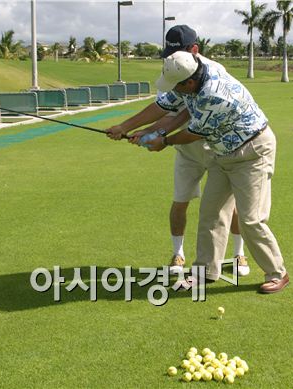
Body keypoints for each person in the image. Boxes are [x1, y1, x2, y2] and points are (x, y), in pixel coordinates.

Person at [108, 25, 250, 276]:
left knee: (229, 206)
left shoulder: (212, 74)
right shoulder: (174, 69)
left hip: (214, 146)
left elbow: (188, 121)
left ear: (194, 50)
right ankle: (178, 254)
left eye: (180, 51)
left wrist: (161, 138)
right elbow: (166, 109)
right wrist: (131, 128)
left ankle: (239, 255)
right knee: (180, 201)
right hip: (186, 149)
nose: (172, 58)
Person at [144, 51, 288, 293]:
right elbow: (164, 108)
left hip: (253, 152)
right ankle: (205, 271)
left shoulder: (213, 94)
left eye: (177, 86)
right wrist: (136, 130)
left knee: (251, 219)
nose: (174, 91)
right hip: (224, 152)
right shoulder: (195, 73)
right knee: (211, 212)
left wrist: (164, 141)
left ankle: (277, 272)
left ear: (189, 82)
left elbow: (193, 133)